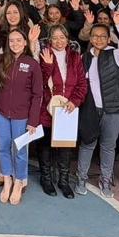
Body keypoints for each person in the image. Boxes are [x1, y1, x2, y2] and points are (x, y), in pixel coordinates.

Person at [75, 9, 119, 197]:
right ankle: (81, 178)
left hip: (113, 109)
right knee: (87, 143)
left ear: (109, 38)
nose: (98, 39)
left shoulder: (116, 55)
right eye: (95, 36)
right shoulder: (85, 57)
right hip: (90, 109)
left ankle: (105, 181)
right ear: (90, 38)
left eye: (103, 36)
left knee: (108, 146)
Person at [0, 27, 44, 205]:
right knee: (2, 147)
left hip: (22, 115)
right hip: (1, 111)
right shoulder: (1, 59)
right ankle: (7, 180)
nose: (15, 43)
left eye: (19, 40)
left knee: (19, 150)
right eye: (11, 41)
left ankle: (19, 182)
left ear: (25, 43)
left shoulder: (32, 64)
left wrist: (33, 120)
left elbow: (37, 94)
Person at [36, 23, 86, 199]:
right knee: (45, 145)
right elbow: (39, 82)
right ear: (49, 40)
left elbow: (82, 84)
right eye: (55, 38)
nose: (58, 41)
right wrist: (48, 65)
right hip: (47, 108)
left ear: (67, 39)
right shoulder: (44, 55)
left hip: (67, 109)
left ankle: (63, 181)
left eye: (62, 37)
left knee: (65, 147)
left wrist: (75, 102)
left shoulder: (75, 57)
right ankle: (46, 179)